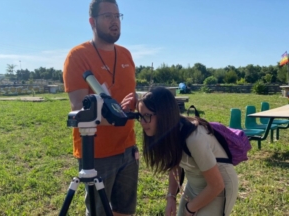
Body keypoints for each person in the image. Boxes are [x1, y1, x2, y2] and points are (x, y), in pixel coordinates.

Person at [63, 0, 138, 215]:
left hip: (128, 148)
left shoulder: (126, 55)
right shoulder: (77, 56)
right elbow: (79, 108)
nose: (115, 21)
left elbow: (130, 98)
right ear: (92, 21)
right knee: (99, 212)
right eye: (108, 16)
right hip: (96, 154)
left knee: (125, 211)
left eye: (117, 16)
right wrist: (117, 118)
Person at [137, 87, 238, 216]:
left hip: (219, 188)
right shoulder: (168, 133)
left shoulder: (194, 138)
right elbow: (174, 164)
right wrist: (171, 197)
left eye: (147, 116)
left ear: (164, 114)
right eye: (140, 116)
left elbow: (217, 185)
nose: (142, 122)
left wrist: (190, 208)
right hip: (194, 184)